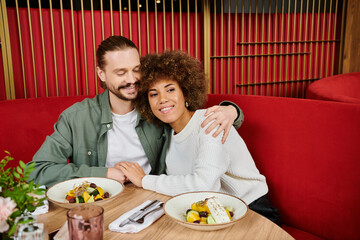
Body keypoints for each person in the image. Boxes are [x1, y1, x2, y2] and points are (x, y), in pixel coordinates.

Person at [28, 36, 244, 188]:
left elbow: (191, 119)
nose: (131, 80)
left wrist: (231, 111)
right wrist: (104, 174)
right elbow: (36, 171)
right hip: (102, 201)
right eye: (121, 72)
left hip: (153, 199)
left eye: (136, 70)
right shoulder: (77, 116)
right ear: (101, 73)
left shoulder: (156, 107)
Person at [117, 50, 281, 225]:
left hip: (252, 211)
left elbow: (204, 185)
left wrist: (144, 180)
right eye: (153, 94)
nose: (162, 99)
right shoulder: (167, 136)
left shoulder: (211, 122)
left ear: (186, 92)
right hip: (210, 214)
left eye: (170, 89)